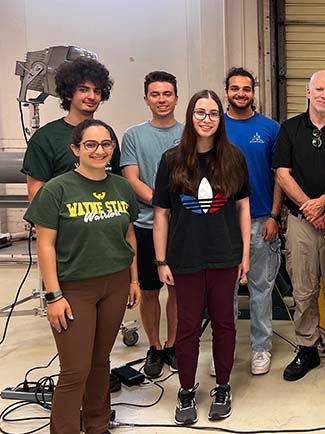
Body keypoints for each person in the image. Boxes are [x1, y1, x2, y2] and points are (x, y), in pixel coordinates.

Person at [23, 119, 140, 434]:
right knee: (76, 369)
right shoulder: (56, 189)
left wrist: (133, 280)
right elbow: (45, 245)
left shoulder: (122, 187)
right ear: (76, 149)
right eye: (91, 144)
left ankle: (98, 425)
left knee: (101, 361)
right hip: (74, 289)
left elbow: (129, 235)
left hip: (115, 283)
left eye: (105, 144)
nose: (99, 150)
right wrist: (53, 296)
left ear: (113, 149)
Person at [153, 90, 251, 425]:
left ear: (220, 118)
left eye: (212, 113)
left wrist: (245, 256)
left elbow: (243, 208)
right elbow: (162, 214)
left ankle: (223, 386)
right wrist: (162, 260)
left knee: (225, 324)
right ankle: (186, 390)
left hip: (225, 256)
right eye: (200, 112)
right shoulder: (171, 160)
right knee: (187, 327)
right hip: (185, 256)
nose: (206, 119)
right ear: (191, 115)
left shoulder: (234, 158)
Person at [272, 70, 325, 382]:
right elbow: (282, 174)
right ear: (308, 92)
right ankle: (307, 346)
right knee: (303, 289)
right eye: (319, 89)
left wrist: (322, 203)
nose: (324, 95)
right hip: (300, 223)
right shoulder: (290, 129)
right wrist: (309, 209)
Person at [121, 71, 183, 379]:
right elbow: (131, 178)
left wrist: (175, 212)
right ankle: (155, 347)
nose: (162, 99)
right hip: (146, 225)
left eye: (167, 94)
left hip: (182, 227)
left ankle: (173, 344)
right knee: (149, 291)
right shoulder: (133, 135)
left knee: (178, 290)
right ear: (146, 99)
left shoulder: (189, 134)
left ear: (176, 97)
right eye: (155, 94)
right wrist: (162, 206)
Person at [223, 67, 282, 375]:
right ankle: (226, 350)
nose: (241, 93)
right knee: (225, 292)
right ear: (227, 92)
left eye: (246, 89)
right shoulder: (214, 126)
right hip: (222, 224)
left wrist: (274, 215)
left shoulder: (270, 129)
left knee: (261, 290)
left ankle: (261, 348)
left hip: (261, 221)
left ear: (253, 92)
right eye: (235, 88)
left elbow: (279, 177)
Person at [22, 57, 121, 201]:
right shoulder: (45, 137)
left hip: (104, 218)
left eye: (97, 91)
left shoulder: (106, 133)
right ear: (68, 94)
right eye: (83, 90)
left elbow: (117, 179)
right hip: (64, 220)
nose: (91, 96)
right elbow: (35, 192)